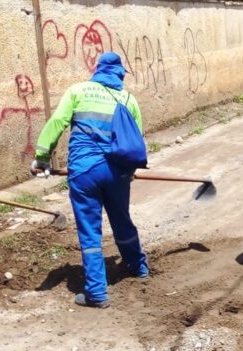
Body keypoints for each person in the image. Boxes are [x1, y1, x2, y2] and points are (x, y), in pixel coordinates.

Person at [32, 52, 148, 309]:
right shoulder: (128, 99)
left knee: (90, 231)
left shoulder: (78, 91)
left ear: (98, 70)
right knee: (121, 220)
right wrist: (130, 171)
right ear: (119, 73)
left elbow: (58, 122)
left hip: (84, 172)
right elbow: (137, 139)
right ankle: (138, 267)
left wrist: (42, 157)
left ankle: (96, 292)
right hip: (117, 173)